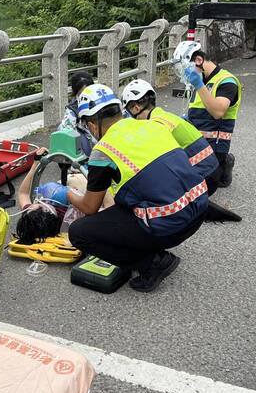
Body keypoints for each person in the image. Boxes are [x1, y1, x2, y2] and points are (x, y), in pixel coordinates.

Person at [67, 84, 210, 292]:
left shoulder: (103, 150)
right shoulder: (151, 125)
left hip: (170, 226)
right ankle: (152, 246)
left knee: (79, 232)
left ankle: (152, 263)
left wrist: (67, 193)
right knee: (124, 205)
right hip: (198, 209)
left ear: (92, 124)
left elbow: (89, 207)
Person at [121, 78, 222, 191]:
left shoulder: (155, 125)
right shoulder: (166, 116)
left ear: (136, 108)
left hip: (204, 178)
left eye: (129, 113)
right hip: (212, 169)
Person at [174, 40, 242, 187]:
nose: (185, 74)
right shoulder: (200, 80)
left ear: (199, 60)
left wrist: (199, 85)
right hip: (196, 143)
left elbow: (218, 112)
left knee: (203, 185)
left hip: (214, 147)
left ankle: (224, 164)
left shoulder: (227, 81)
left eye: (186, 68)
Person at [15, 147, 113, 244]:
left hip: (73, 177)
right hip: (89, 185)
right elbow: (109, 209)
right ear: (49, 213)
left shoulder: (31, 218)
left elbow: (23, 193)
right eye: (39, 205)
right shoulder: (72, 218)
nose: (39, 201)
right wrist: (99, 178)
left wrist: (36, 164)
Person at [58, 71, 98, 156]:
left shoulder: (100, 102)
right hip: (88, 149)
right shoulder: (73, 110)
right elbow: (64, 130)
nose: (85, 96)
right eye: (82, 93)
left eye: (88, 92)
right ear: (76, 93)